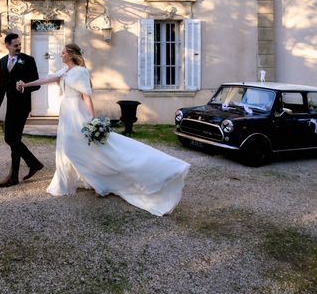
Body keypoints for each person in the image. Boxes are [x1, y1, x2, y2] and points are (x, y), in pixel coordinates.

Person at [17, 44, 190, 216]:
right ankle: (90, 181)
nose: (60, 54)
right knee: (69, 148)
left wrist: (93, 121)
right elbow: (46, 79)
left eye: (62, 52)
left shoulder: (81, 72)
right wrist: (26, 84)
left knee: (78, 148)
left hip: (78, 114)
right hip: (67, 114)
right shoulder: (64, 71)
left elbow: (87, 97)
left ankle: (121, 175)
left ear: (70, 55)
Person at [0, 33, 44, 188]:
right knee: (11, 138)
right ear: (7, 45)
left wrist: (24, 86)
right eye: (15, 45)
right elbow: (2, 86)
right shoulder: (2, 61)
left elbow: (37, 84)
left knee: (13, 138)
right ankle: (33, 163)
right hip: (10, 105)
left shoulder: (28, 60)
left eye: (19, 44)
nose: (18, 47)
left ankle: (14, 176)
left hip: (22, 105)